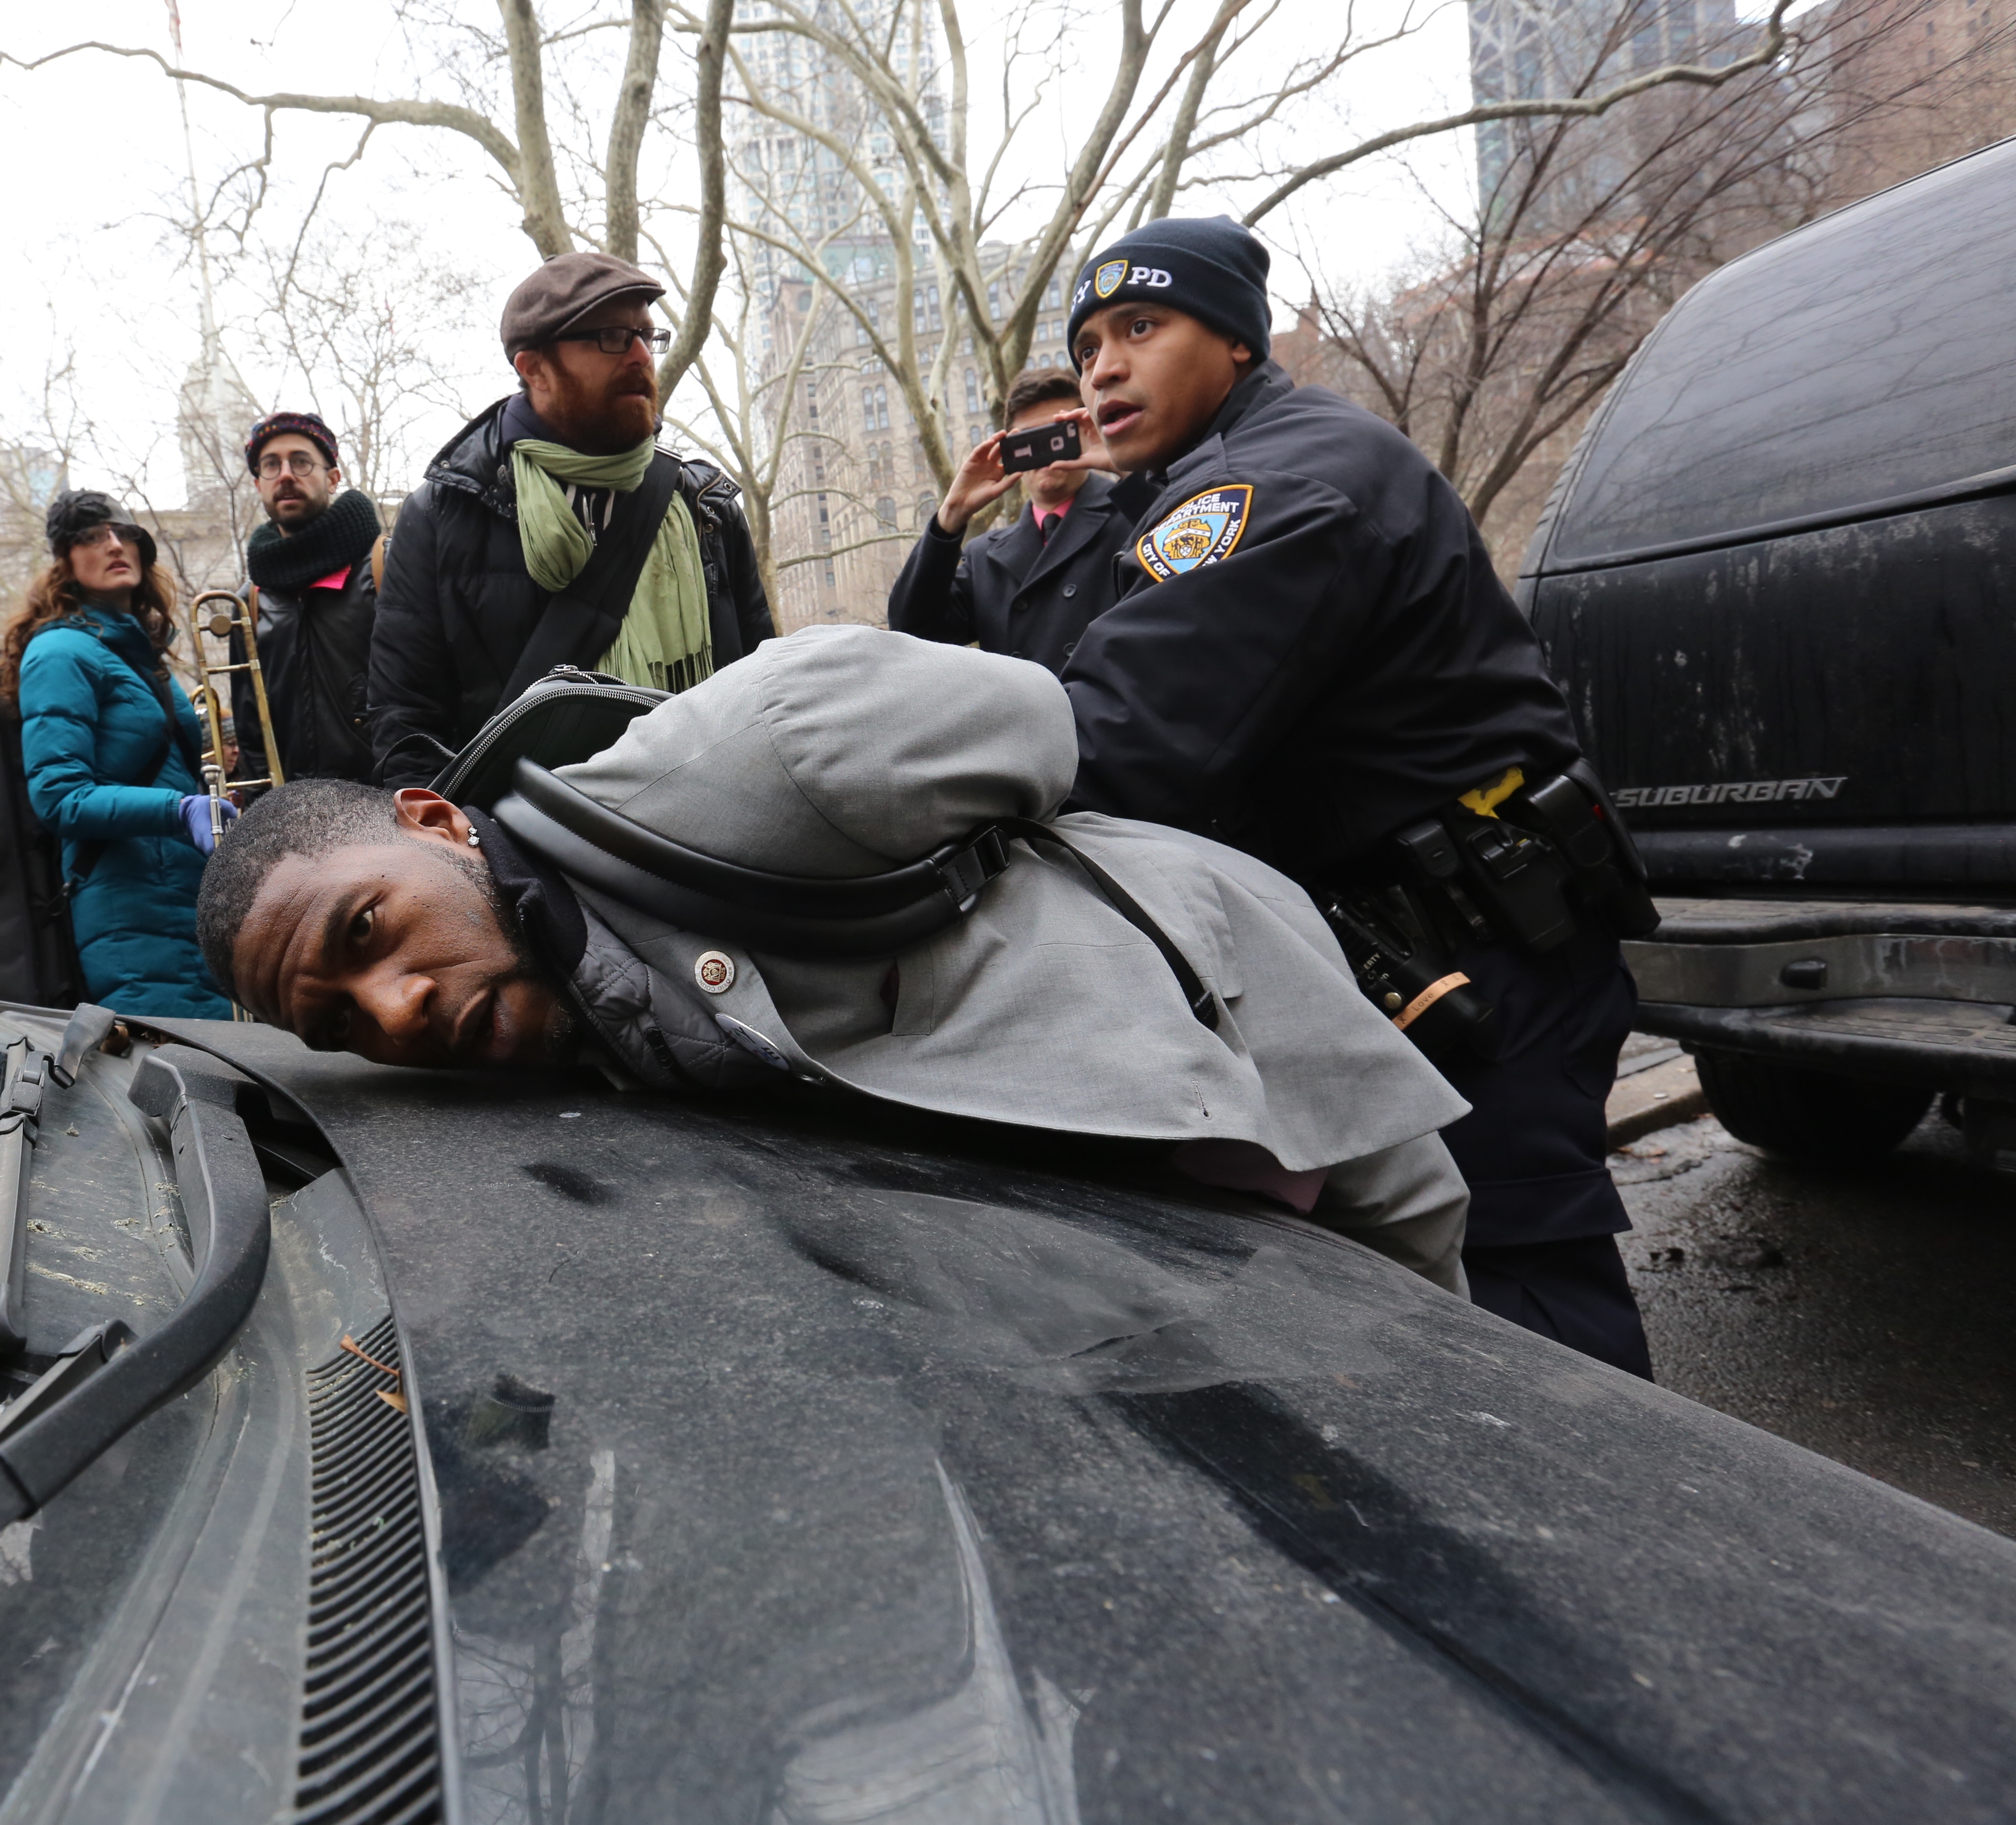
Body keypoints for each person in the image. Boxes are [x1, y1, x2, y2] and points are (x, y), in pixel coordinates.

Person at [197, 624, 1476, 1288]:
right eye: (343, 1026)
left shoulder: (780, 747)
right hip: (1154, 1270)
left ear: (434, 819)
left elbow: (1042, 733)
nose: (399, 1010)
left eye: (367, 933)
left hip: (1264, 1084)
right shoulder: (522, 1038)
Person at [1048, 214, 1653, 1377]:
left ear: (1230, 342)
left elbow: (1116, 740)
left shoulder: (1272, 487)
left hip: (1478, 956)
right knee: (1459, 1288)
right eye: (1085, 348)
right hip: (1449, 941)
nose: (1103, 368)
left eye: (1139, 325)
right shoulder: (1236, 474)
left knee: (1523, 1305)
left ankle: (1614, 1550)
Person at [366, 250, 775, 788]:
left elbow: (764, 697)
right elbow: (406, 732)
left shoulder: (707, 509)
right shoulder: (443, 517)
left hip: (700, 838)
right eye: (611, 336)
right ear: (534, 368)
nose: (638, 356)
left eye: (645, 336)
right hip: (517, 856)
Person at [2, 489, 237, 1019]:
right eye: (91, 537)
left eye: (123, 533)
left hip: (183, 893)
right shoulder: (59, 652)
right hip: (131, 908)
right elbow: (59, 797)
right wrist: (179, 812)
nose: (114, 544)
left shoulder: (134, 652)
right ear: (65, 561)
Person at [887, 367, 1135, 673]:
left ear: (1088, 431)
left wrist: (1127, 467)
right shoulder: (984, 558)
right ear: (1010, 450)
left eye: (1057, 436)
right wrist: (950, 516)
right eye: (1030, 442)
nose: (1045, 454)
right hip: (1028, 722)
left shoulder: (1137, 517)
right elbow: (912, 630)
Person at [235, 410, 384, 785]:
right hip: (291, 822)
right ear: (258, 485)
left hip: (391, 811)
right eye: (271, 465)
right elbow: (251, 733)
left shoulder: (387, 568)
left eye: (301, 462)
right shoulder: (250, 601)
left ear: (333, 478)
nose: (285, 474)